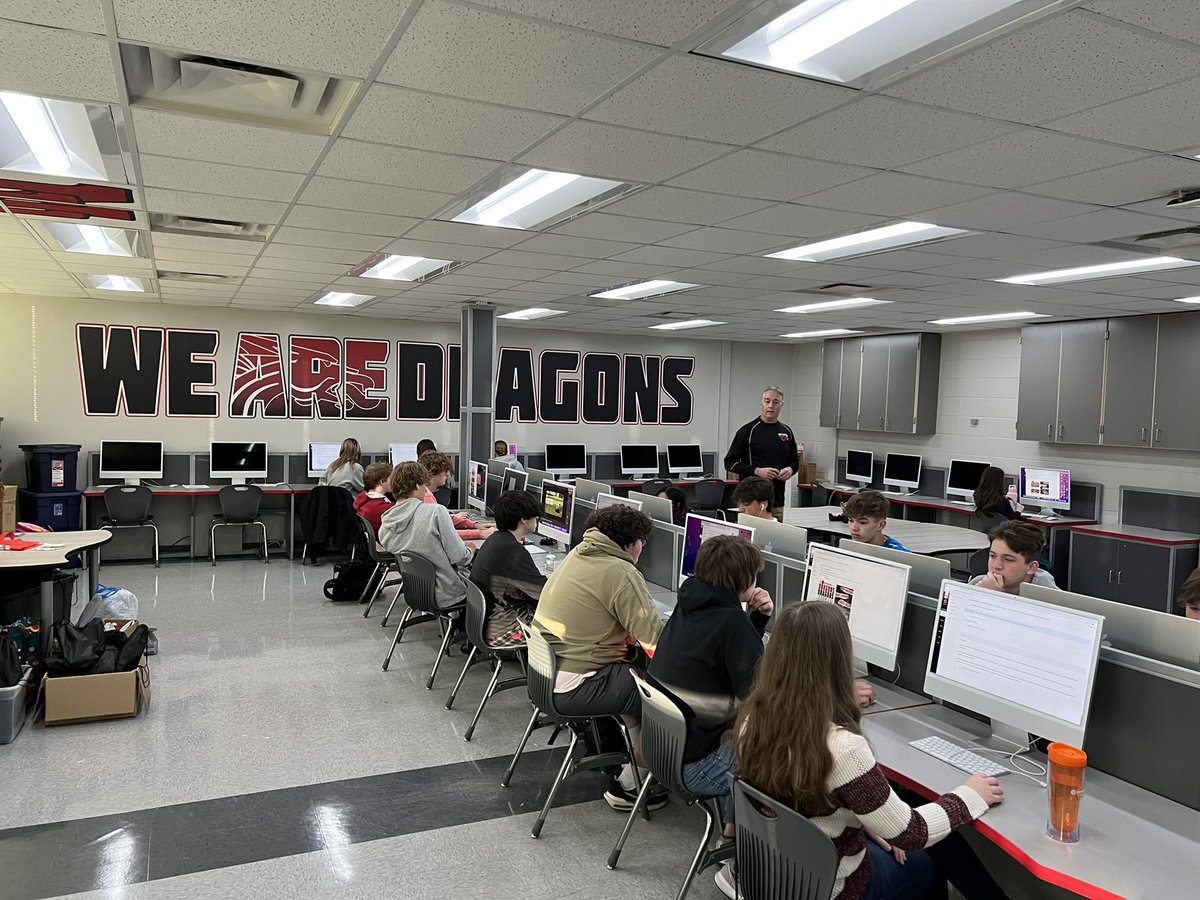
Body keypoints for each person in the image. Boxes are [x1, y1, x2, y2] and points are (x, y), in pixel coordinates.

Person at [734, 603, 1003, 900]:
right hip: (837, 889)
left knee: (911, 817)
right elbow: (913, 833)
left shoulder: (751, 719)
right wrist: (970, 795)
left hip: (778, 875)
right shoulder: (843, 749)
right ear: (838, 661)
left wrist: (865, 821)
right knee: (931, 858)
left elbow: (802, 802)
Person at [532, 504, 665, 811]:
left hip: (547, 675)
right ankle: (632, 784)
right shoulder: (621, 571)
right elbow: (655, 642)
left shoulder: (579, 555)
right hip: (577, 686)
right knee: (660, 694)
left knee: (632, 677)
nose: (642, 548)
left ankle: (629, 757)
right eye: (642, 542)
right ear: (631, 543)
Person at [648, 536, 773, 841]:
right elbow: (762, 698)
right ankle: (735, 844)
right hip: (696, 768)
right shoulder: (732, 623)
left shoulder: (688, 605)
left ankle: (730, 831)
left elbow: (728, 659)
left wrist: (755, 620)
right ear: (744, 579)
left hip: (658, 751)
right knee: (770, 746)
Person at [378, 461, 472, 610]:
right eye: (424, 486)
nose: (426, 490)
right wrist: (469, 550)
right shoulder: (435, 512)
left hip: (417, 593)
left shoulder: (386, 526)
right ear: (416, 486)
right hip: (448, 594)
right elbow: (459, 557)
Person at [469, 491, 546, 645]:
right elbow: (544, 594)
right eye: (536, 517)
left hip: (483, 624)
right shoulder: (512, 551)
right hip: (502, 630)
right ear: (524, 519)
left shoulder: (496, 539)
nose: (537, 520)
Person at [724, 386, 801, 519]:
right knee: (749, 539)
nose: (771, 405)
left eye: (775, 402)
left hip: (776, 502)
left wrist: (790, 469)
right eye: (767, 401)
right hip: (750, 503)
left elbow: (794, 462)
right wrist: (756, 471)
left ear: (781, 406)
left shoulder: (786, 432)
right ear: (762, 403)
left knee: (775, 538)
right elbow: (729, 463)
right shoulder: (747, 431)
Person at [418, 450, 495, 543]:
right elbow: (445, 533)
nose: (447, 474)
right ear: (433, 473)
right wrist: (480, 533)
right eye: (444, 470)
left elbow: (443, 520)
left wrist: (475, 525)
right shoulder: (427, 498)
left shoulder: (425, 493)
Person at [970, 520, 1057, 594]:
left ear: (1031, 567)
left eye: (1008, 559)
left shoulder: (1051, 599)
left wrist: (993, 598)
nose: (996, 565)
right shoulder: (980, 584)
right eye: (993, 556)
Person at [843, 490, 909, 552]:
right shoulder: (848, 546)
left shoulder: (900, 555)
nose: (854, 528)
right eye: (851, 520)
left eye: (862, 523)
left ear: (880, 525)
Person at [353, 462, 393, 532]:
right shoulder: (385, 509)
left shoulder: (361, 498)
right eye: (391, 478)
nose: (394, 481)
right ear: (383, 482)